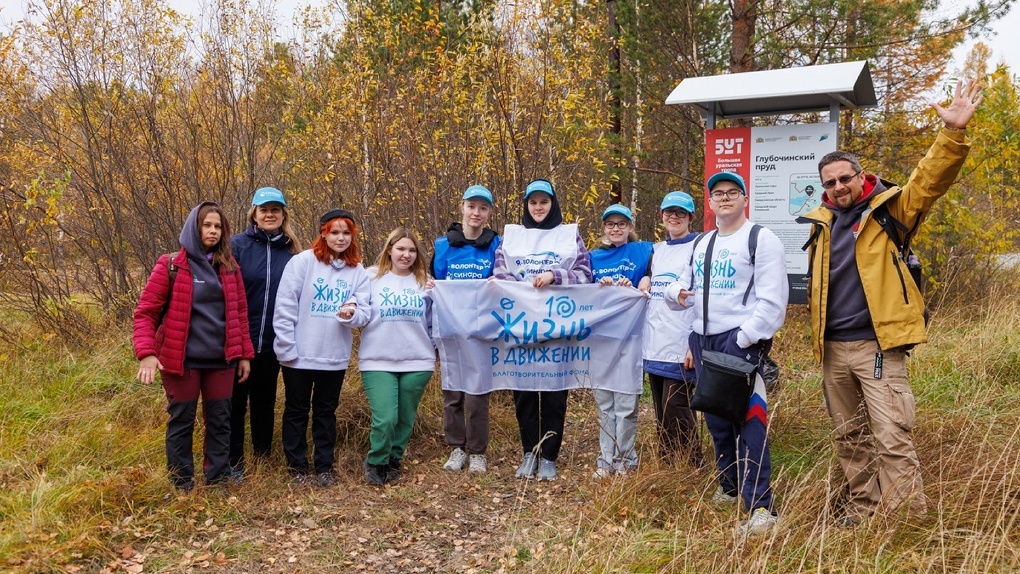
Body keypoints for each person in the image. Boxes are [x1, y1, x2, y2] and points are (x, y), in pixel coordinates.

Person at [799, 79, 982, 523]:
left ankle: (904, 522)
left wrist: (952, 133)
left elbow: (929, 181)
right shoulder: (820, 222)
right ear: (823, 186)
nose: (840, 186)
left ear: (861, 176)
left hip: (877, 346)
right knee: (850, 438)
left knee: (891, 435)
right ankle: (864, 510)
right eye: (831, 182)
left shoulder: (889, 210)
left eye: (846, 178)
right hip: (832, 351)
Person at [668, 172, 788, 535]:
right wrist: (676, 294)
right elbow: (684, 286)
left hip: (738, 342)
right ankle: (730, 485)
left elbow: (773, 300)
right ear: (709, 202)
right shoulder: (703, 242)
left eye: (732, 193)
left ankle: (761, 508)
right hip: (703, 341)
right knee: (716, 417)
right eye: (717, 193)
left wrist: (746, 338)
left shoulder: (760, 239)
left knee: (749, 421)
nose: (724, 199)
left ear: (744, 199)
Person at [133, 201, 254, 492]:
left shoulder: (229, 267)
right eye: (207, 225)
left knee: (220, 421)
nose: (212, 231)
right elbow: (146, 312)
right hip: (181, 361)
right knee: (182, 421)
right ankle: (182, 483)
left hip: (222, 361)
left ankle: (216, 481)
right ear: (194, 227)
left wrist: (244, 355)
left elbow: (239, 314)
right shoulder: (172, 264)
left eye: (218, 227)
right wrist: (147, 354)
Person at [492, 178, 593, 481]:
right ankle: (528, 452)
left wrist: (554, 275)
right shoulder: (511, 238)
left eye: (544, 202)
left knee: (553, 394)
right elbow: (499, 273)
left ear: (553, 204)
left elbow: (585, 274)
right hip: (520, 327)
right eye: (533, 202)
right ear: (526, 205)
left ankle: (549, 456)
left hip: (557, 328)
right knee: (523, 392)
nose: (538, 207)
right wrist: (518, 285)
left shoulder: (568, 236)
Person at [273, 209, 370, 487]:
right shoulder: (302, 263)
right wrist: (286, 348)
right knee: (296, 410)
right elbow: (285, 307)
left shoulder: (357, 270)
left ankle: (324, 467)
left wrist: (352, 313)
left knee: (326, 412)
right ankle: (297, 468)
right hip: (299, 355)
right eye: (335, 232)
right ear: (324, 233)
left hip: (334, 357)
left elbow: (364, 310)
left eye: (346, 233)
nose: (341, 238)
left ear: (353, 236)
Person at [228, 187, 302, 480]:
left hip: (274, 343)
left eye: (275, 209)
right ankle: (233, 462)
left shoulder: (293, 251)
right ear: (254, 215)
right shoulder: (237, 246)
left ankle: (261, 458)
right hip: (239, 341)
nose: (269, 214)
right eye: (264, 209)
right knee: (234, 404)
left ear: (283, 214)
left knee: (264, 402)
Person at [433, 185, 502, 475]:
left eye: (483, 208)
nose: (476, 213)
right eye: (471, 206)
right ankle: (456, 448)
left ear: (488, 213)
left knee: (477, 395)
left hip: (480, 331)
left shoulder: (496, 245)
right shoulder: (442, 245)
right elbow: (436, 281)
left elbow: (504, 280)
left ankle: (477, 452)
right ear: (462, 207)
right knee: (453, 395)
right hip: (450, 330)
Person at [359, 227, 436, 486]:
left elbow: (435, 321)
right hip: (377, 359)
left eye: (412, 250)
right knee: (386, 417)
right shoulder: (370, 277)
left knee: (405, 417)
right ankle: (376, 460)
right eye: (401, 249)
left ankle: (394, 458)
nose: (406, 255)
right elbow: (355, 307)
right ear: (389, 249)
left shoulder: (425, 281)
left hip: (418, 359)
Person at [638, 191, 704, 469]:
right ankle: (667, 463)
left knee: (676, 406)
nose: (674, 217)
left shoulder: (700, 246)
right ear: (662, 216)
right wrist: (644, 278)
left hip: (682, 341)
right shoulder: (658, 249)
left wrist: (695, 342)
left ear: (691, 217)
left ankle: (693, 464)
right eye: (669, 212)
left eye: (680, 213)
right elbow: (649, 277)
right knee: (660, 409)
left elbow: (704, 295)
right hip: (655, 340)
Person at [589, 204, 652, 478]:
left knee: (626, 406)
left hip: (631, 338)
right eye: (611, 224)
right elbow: (579, 288)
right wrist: (597, 285)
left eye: (622, 224)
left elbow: (662, 268)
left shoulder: (644, 250)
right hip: (601, 339)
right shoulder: (592, 257)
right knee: (605, 404)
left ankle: (625, 459)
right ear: (603, 228)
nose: (616, 228)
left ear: (630, 227)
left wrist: (646, 280)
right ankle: (606, 457)